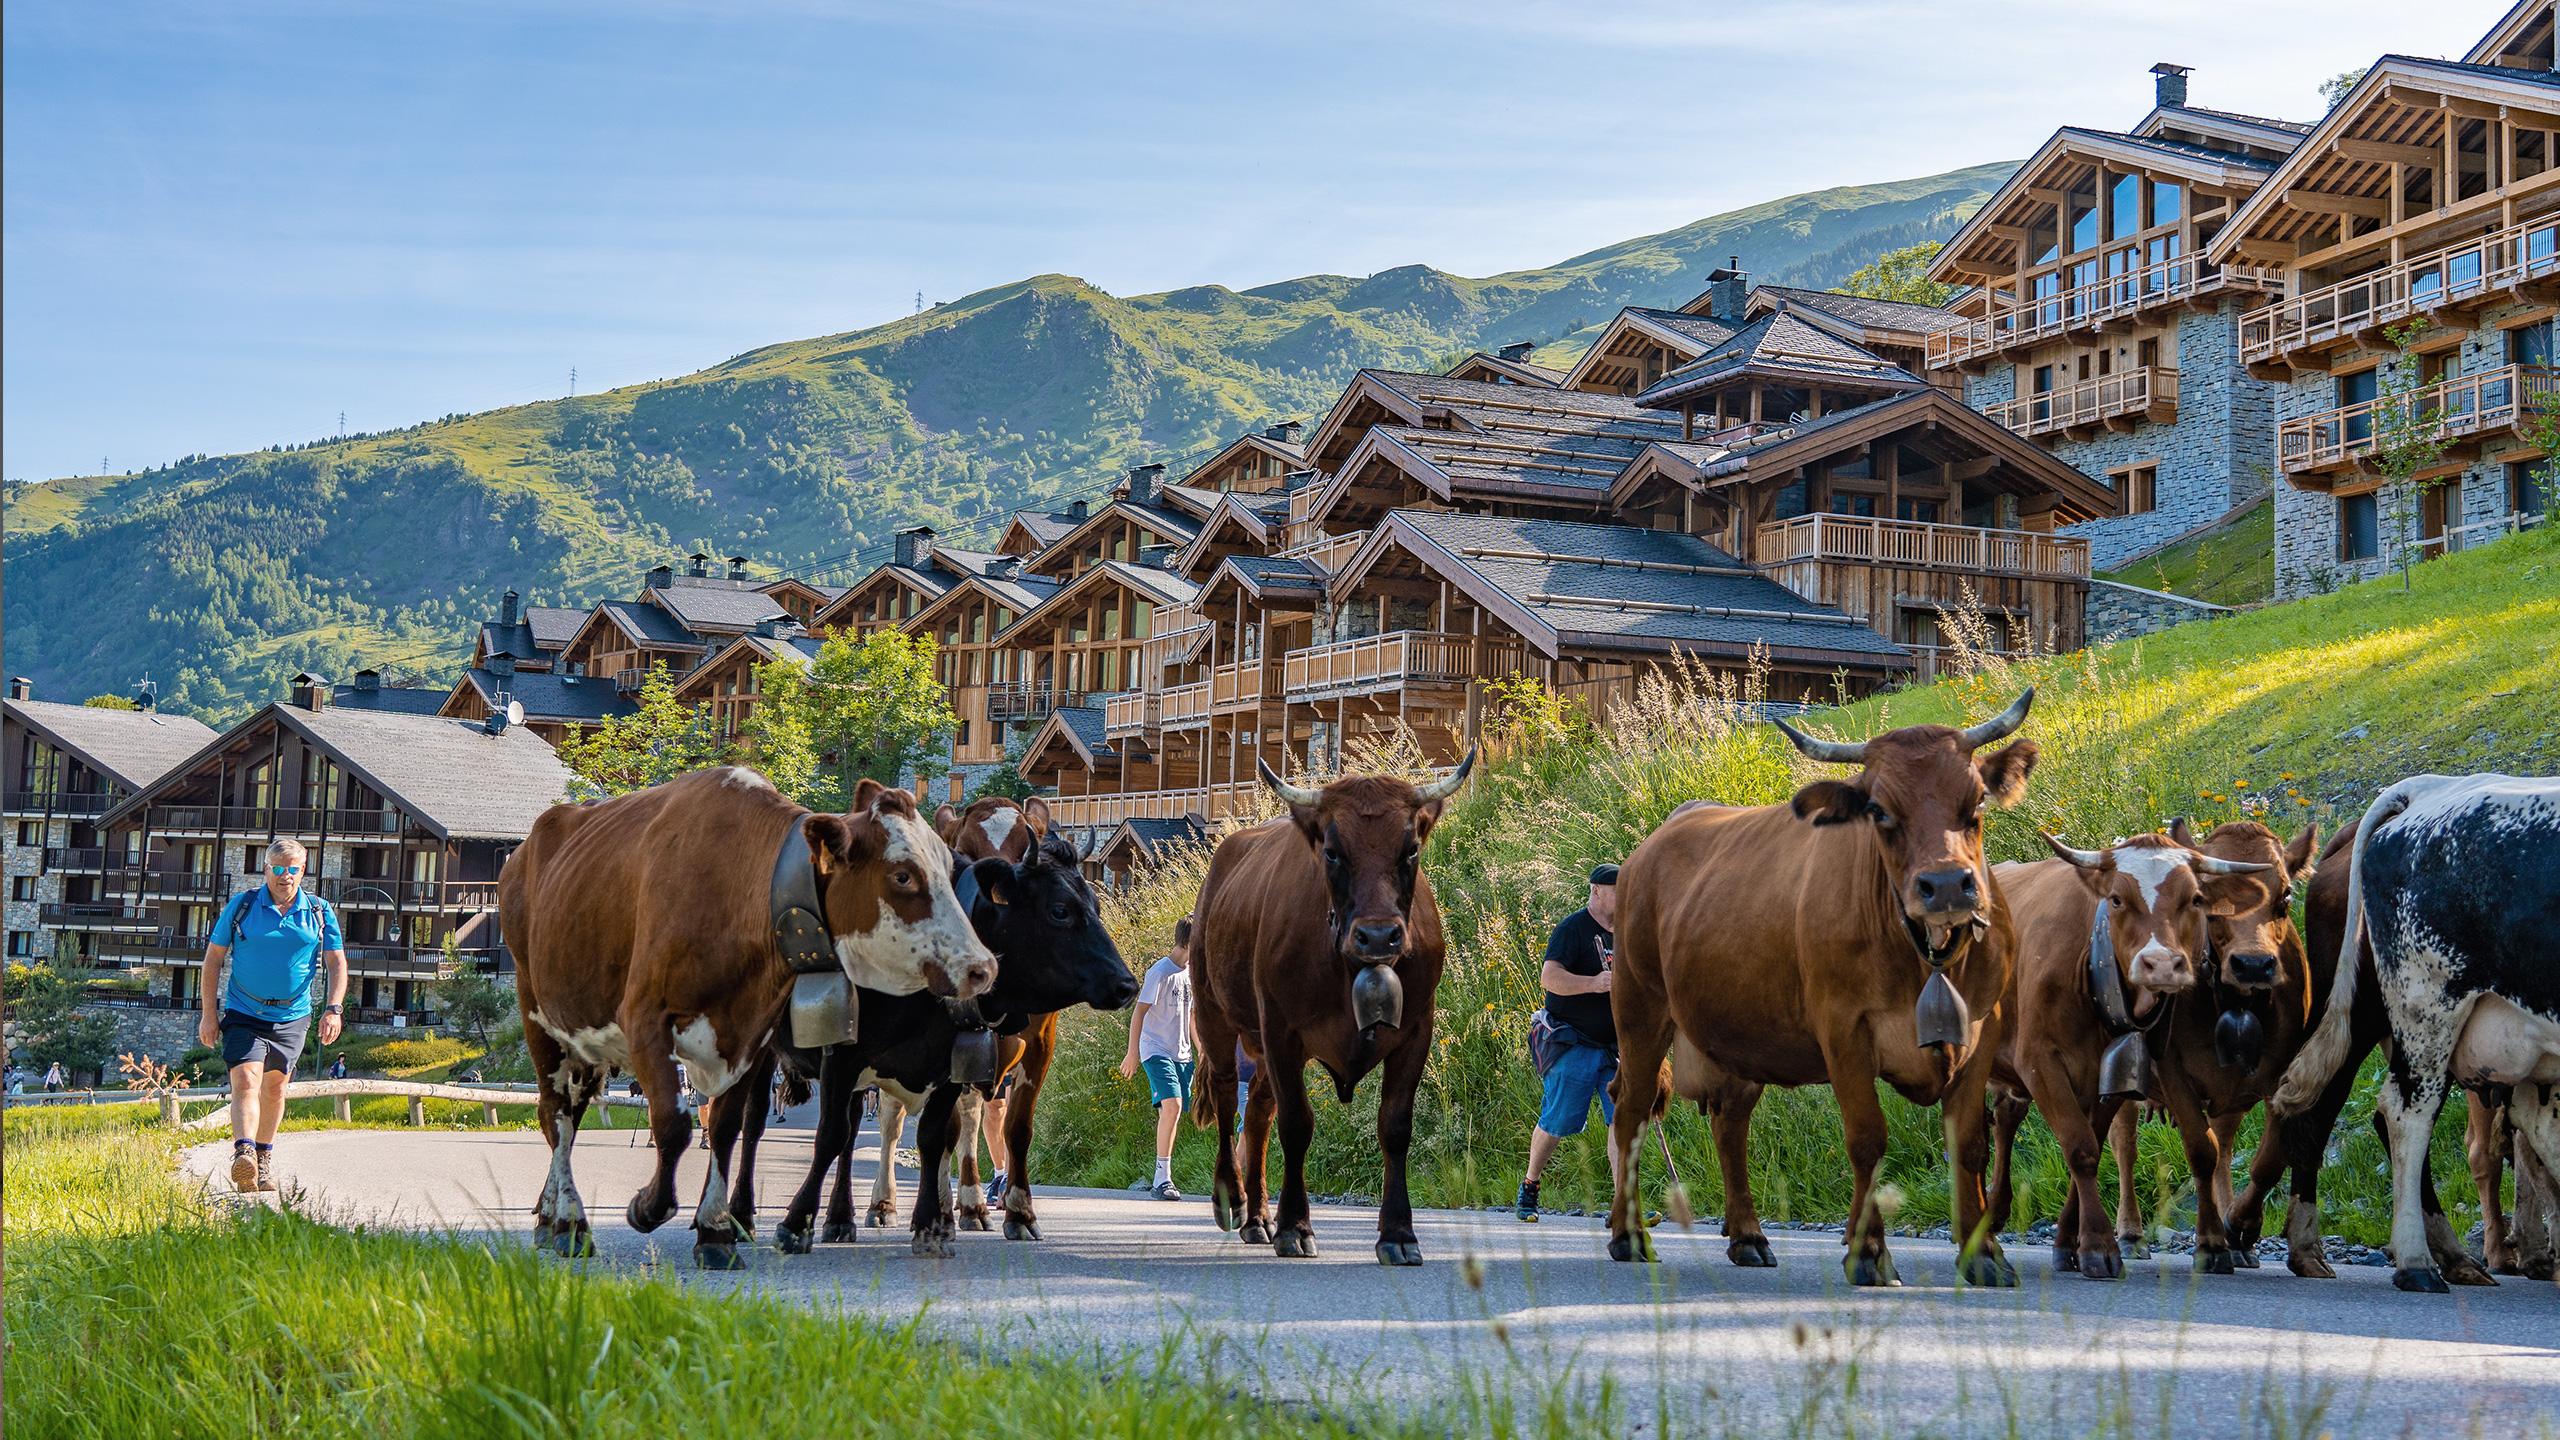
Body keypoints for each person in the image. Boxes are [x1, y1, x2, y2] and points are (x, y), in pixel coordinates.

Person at [198, 838, 347, 1194]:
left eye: (292, 869)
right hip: (244, 1010)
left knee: (276, 1087)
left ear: (303, 870)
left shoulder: (319, 911)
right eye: (278, 868)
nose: (285, 876)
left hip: (293, 1015)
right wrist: (208, 1013)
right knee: (246, 1080)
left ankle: (263, 1160)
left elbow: (337, 962)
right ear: (266, 869)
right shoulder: (243, 905)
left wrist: (333, 1008)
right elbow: (213, 959)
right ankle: (243, 1152)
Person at [1517, 864, 1625, 1222]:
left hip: (1615, 1048)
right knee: (1557, 1122)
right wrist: (1594, 984)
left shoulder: (1626, 932)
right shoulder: (1573, 929)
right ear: (1596, 891)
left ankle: (1623, 1203)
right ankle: (1530, 1186)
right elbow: (1551, 978)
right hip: (1572, 1042)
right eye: (1616, 889)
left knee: (1621, 1121)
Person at [1118, 916, 1194, 1201]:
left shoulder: (1191, 974)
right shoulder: (1159, 972)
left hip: (1182, 1053)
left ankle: (1162, 1174)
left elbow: (1193, 1018)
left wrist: (1204, 1052)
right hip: (1156, 1049)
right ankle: (1162, 1178)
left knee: (1171, 1113)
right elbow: (1139, 1012)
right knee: (1171, 1107)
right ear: (1188, 941)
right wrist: (1133, 1052)